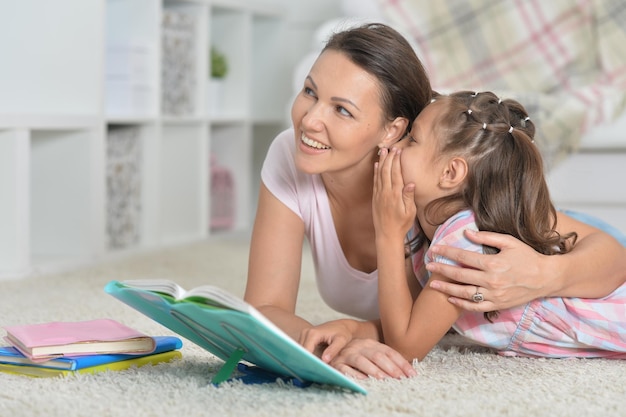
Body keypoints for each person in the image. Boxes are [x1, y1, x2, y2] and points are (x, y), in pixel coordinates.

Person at [244, 23, 626, 379]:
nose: (309, 120)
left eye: (342, 109)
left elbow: (611, 256)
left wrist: (542, 276)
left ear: (392, 130)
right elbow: (262, 309)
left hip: (577, 258)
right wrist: (331, 341)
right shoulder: (291, 155)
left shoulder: (449, 197)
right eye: (309, 91)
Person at [370, 91, 626, 361]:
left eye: (412, 139)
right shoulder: (425, 224)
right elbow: (412, 319)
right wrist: (353, 329)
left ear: (450, 173)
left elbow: (405, 347)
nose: (395, 144)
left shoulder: (464, 239)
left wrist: (387, 235)